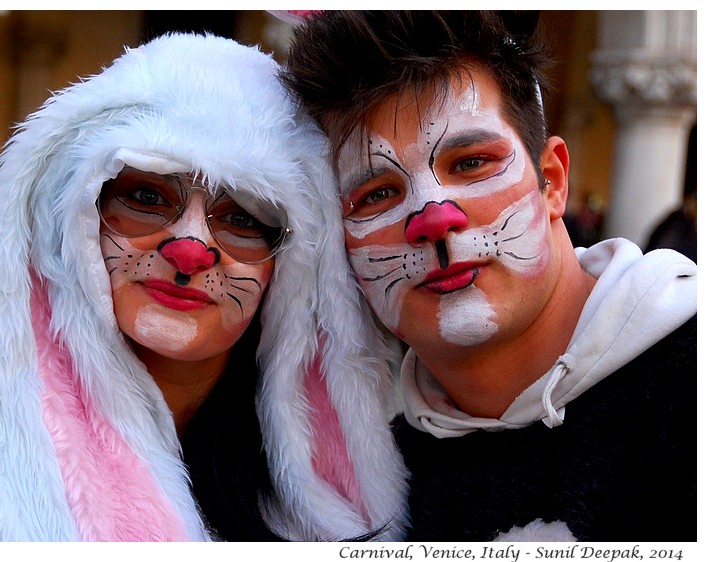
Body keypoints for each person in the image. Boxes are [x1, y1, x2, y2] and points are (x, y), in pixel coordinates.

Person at [0, 32, 408, 542]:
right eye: (146, 196)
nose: (189, 250)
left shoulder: (338, 500)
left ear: (292, 270)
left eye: (243, 218)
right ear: (79, 221)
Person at [282, 11, 696, 541]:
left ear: (551, 181)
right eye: (377, 194)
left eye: (471, 162)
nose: (433, 219)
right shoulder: (369, 492)